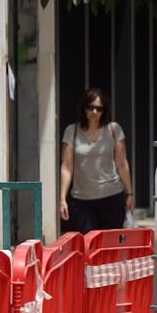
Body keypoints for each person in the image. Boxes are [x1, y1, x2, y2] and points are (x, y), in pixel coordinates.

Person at [59, 87, 132, 233]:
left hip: (112, 197)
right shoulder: (71, 131)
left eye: (98, 108)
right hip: (82, 201)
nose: (94, 112)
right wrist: (62, 199)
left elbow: (122, 164)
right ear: (83, 108)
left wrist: (130, 194)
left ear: (104, 110)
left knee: (109, 247)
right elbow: (67, 167)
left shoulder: (114, 130)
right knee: (88, 245)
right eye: (90, 107)